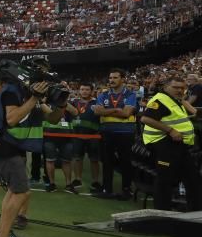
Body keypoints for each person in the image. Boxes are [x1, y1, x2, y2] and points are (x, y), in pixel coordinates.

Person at [0, 60, 64, 237]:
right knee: (21, 192)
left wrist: (61, 102)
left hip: (15, 146)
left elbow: (54, 118)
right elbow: (12, 119)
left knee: (14, 191)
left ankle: (2, 232)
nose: (43, 82)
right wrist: (34, 99)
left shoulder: (30, 93)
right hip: (5, 145)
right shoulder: (12, 91)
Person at [140, 75, 201, 211]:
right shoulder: (161, 100)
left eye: (182, 88)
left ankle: (195, 211)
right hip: (164, 144)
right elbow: (146, 119)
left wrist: (182, 100)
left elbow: (194, 112)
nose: (179, 90)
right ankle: (161, 212)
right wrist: (171, 131)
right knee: (165, 179)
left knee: (192, 178)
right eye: (175, 87)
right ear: (166, 87)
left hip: (178, 146)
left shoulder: (174, 99)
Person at [93, 68, 138, 200]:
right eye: (110, 78)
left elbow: (126, 113)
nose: (111, 80)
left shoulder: (131, 94)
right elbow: (97, 112)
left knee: (126, 162)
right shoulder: (103, 94)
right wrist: (117, 110)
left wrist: (107, 110)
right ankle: (107, 189)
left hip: (126, 133)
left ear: (122, 79)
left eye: (115, 78)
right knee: (107, 162)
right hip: (107, 132)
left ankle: (126, 190)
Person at [69, 82, 102, 194]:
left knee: (94, 159)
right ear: (79, 91)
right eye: (82, 89)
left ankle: (95, 181)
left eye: (87, 89)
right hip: (77, 135)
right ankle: (77, 179)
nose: (84, 91)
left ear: (92, 91)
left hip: (93, 135)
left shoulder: (97, 102)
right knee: (77, 158)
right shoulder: (73, 102)